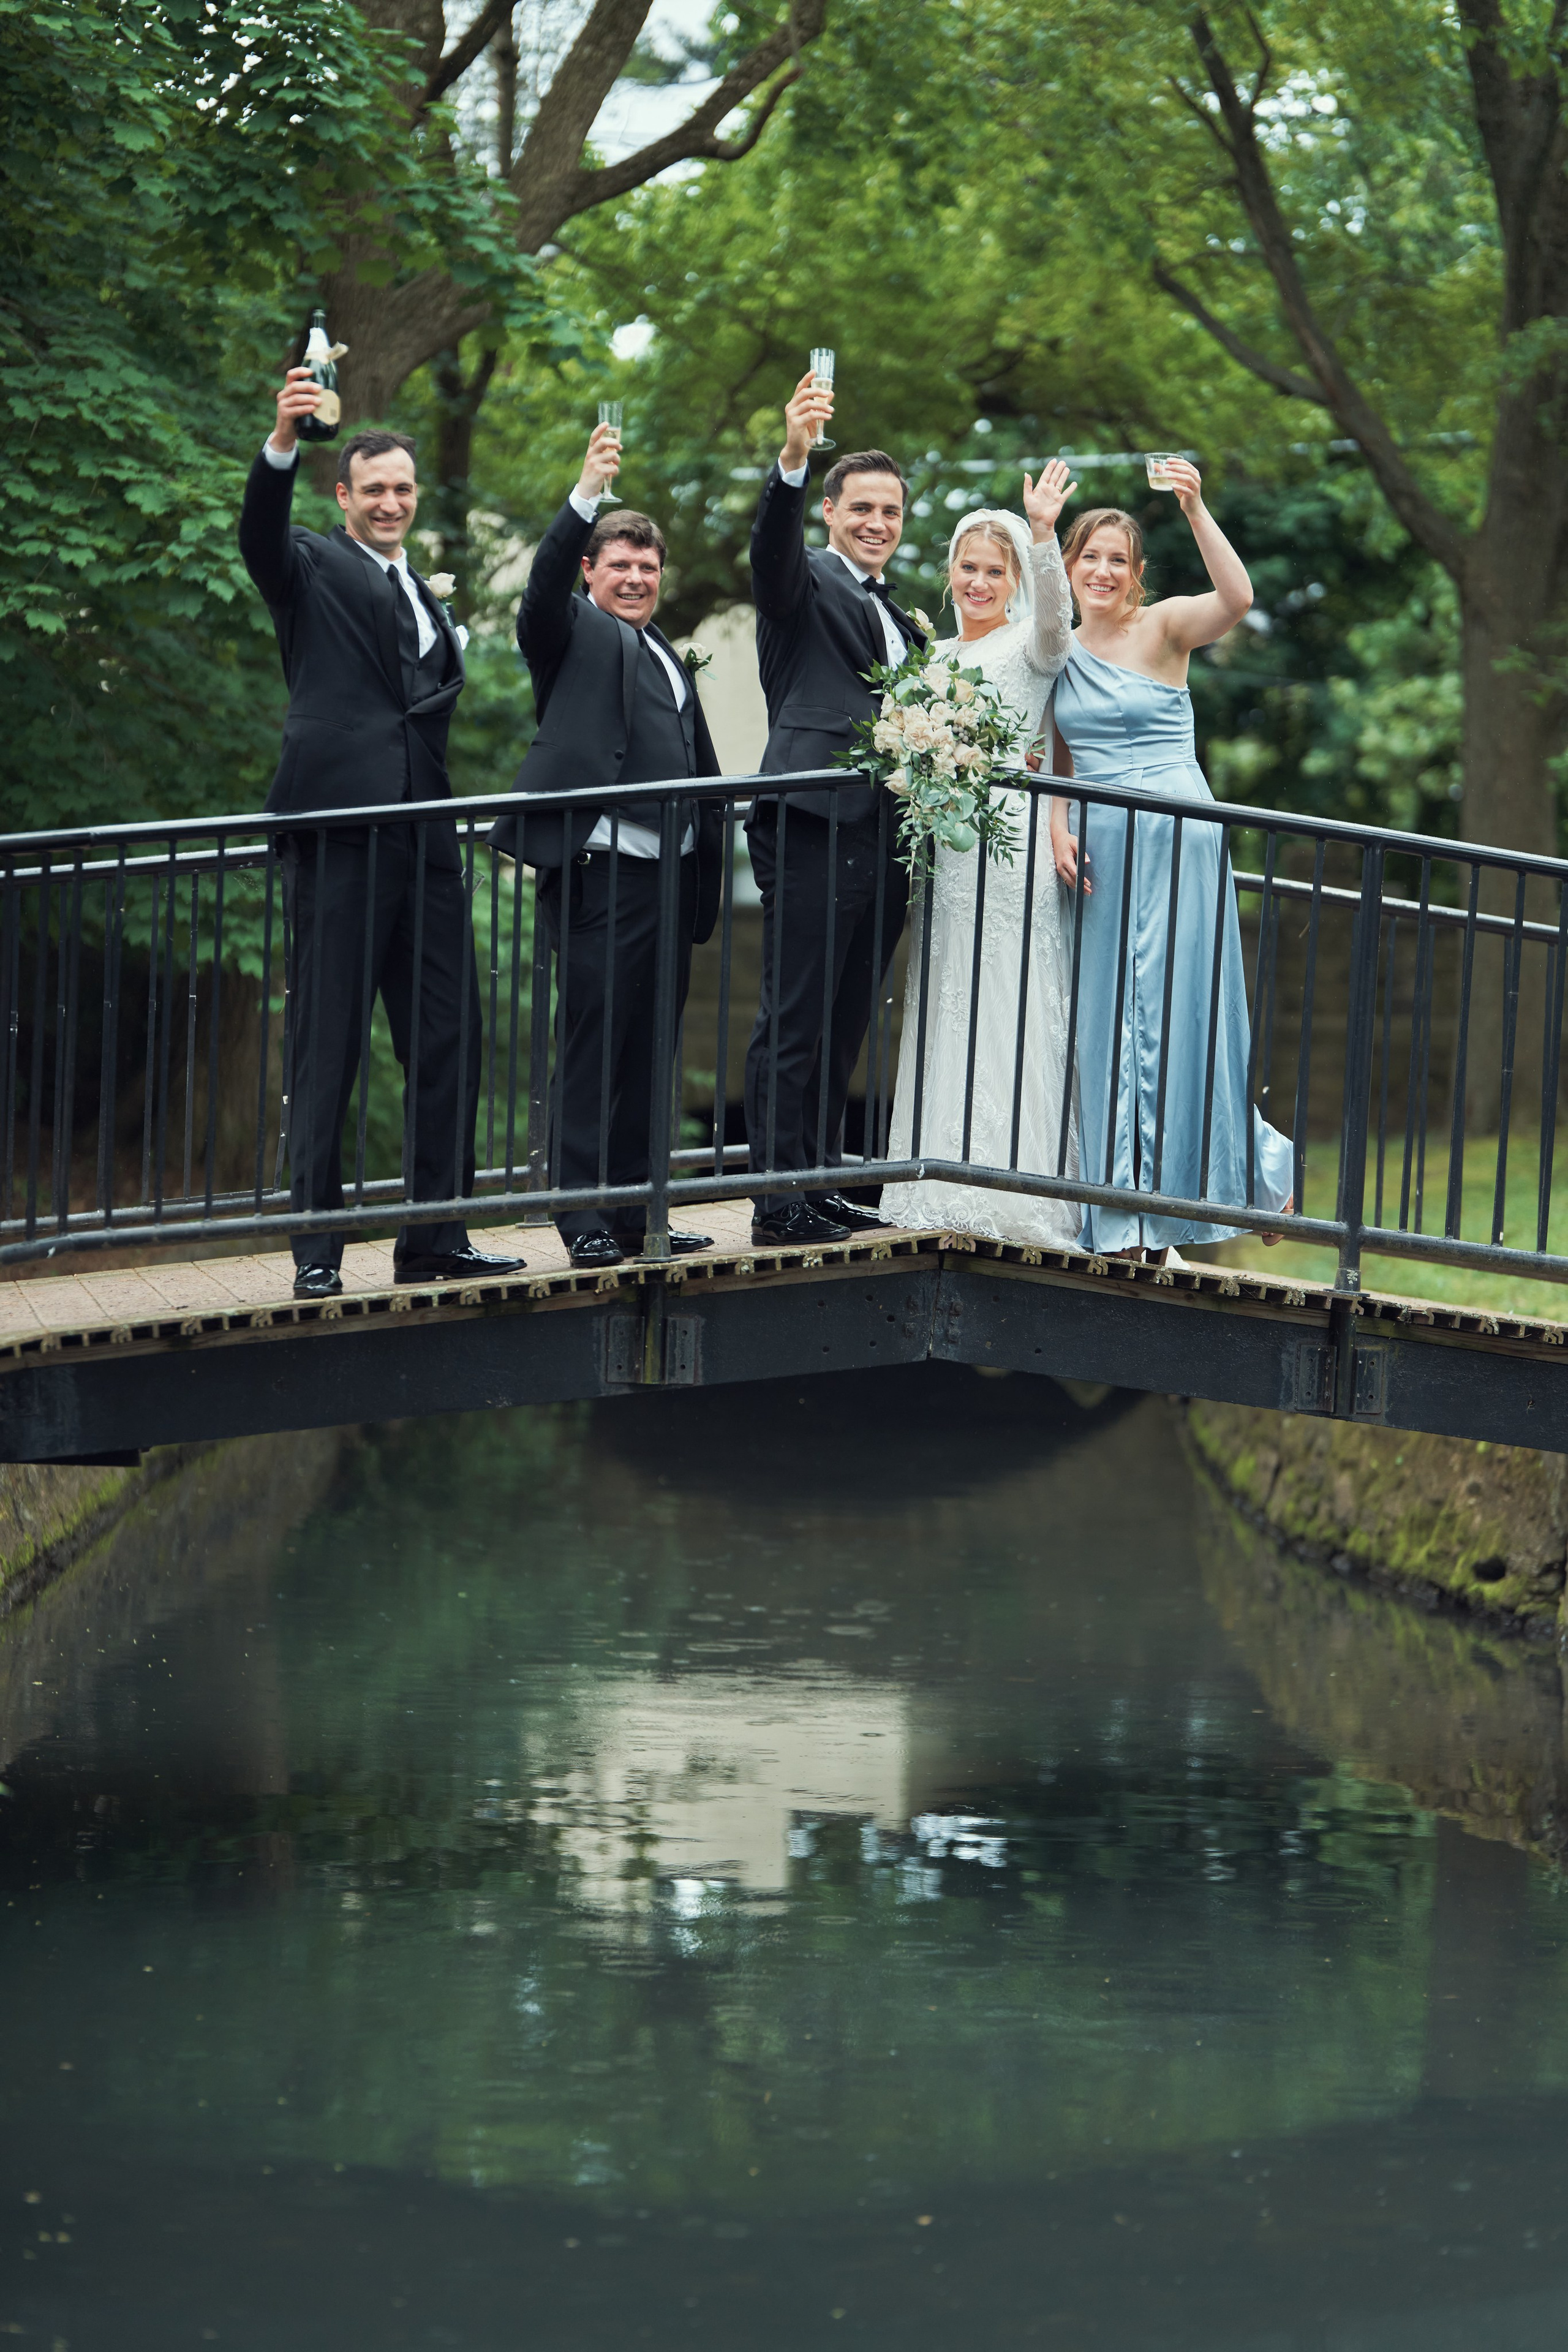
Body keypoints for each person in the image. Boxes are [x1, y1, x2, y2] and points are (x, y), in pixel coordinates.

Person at [238, 364, 524, 1299]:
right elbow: (260, 538)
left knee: (450, 1037)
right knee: (331, 1048)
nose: (391, 502)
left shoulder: (426, 595)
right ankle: (318, 1252)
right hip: (341, 835)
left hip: (427, 843)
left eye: (403, 488)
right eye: (375, 490)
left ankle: (435, 1236)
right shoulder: (313, 567)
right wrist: (283, 442)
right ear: (345, 497)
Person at [489, 424, 723, 1270]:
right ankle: (579, 1213)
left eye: (647, 568)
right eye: (619, 564)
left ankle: (635, 1212)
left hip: (668, 879)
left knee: (649, 1050)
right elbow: (539, 591)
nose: (635, 578)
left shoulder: (666, 650)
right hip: (600, 873)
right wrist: (584, 492)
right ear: (591, 573)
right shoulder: (567, 633)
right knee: (592, 1046)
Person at [1048, 465, 1293, 1257]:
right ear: (1069, 564)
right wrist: (1056, 820)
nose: (1104, 571)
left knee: (1185, 1006)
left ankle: (1233, 1182)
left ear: (1137, 573)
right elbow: (1052, 755)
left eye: (1118, 558)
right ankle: (1120, 1208)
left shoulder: (1165, 628)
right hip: (1098, 845)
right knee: (1110, 1013)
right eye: (1090, 555)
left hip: (1176, 831)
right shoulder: (1055, 649)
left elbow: (1238, 600)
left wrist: (1194, 506)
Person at [744, 374, 929, 1248]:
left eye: (890, 511)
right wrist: (792, 456)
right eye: (862, 508)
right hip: (814, 818)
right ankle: (777, 1199)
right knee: (797, 1008)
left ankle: (818, 1180)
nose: (878, 523)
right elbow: (770, 550)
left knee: (847, 1011)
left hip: (885, 833)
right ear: (828, 511)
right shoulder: (803, 582)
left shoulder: (907, 617)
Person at [881, 475, 1082, 1245]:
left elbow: (1060, 627)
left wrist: (1042, 535)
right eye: (968, 568)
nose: (978, 582)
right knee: (946, 995)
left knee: (1010, 993)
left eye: (994, 572)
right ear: (950, 573)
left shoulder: (1028, 646)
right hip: (949, 853)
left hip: (1012, 844)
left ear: (1014, 582)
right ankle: (936, 1173)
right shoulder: (934, 653)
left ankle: (1015, 1186)